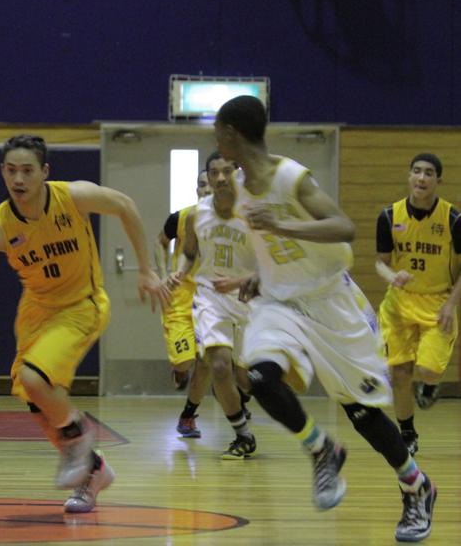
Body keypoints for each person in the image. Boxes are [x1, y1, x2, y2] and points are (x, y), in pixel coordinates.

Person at [215, 95, 436, 542]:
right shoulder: (238, 186)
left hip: (331, 302)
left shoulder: (291, 177)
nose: (216, 142)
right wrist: (259, 274)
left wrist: (281, 226)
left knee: (362, 413)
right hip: (279, 303)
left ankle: (416, 486)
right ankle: (321, 450)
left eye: (218, 132)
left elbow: (342, 227)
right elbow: (271, 248)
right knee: (258, 376)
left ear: (231, 133)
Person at [0, 134, 168, 513]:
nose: (19, 179)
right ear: (2, 172)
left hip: (82, 305)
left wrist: (146, 270)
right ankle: (93, 470)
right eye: (12, 171)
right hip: (35, 314)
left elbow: (125, 206)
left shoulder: (73, 197)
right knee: (37, 401)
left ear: (44, 172)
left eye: (27, 171)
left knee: (38, 381)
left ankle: (78, 439)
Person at [375, 152, 461, 456]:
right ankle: (408, 433)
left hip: (438, 302)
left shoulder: (453, 219)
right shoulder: (389, 216)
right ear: (409, 176)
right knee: (399, 373)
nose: (421, 178)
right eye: (416, 171)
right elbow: (380, 264)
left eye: (428, 173)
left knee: (427, 370)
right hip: (399, 304)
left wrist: (451, 305)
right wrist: (391, 276)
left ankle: (429, 384)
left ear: (438, 180)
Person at [173, 153, 257, 459]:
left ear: (238, 174)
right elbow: (190, 252)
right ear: (207, 178)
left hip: (247, 296)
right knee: (218, 365)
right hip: (210, 296)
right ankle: (243, 436)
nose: (220, 178)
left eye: (227, 171)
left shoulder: (253, 213)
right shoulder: (197, 215)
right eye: (214, 173)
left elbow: (270, 264)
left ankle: (245, 406)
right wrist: (180, 271)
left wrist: (240, 281)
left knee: (246, 377)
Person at [155, 170, 212, 438]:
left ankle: (188, 416)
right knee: (185, 360)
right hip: (180, 298)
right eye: (202, 185)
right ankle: (179, 373)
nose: (207, 190)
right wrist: (163, 271)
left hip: (212, 300)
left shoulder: (232, 221)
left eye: (211, 185)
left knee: (208, 360)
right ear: (196, 189)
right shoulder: (181, 217)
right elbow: (160, 242)